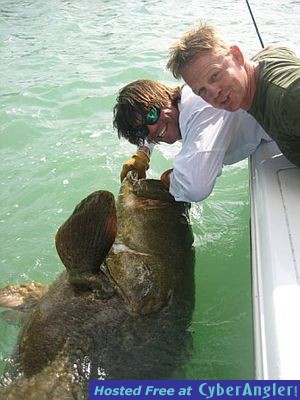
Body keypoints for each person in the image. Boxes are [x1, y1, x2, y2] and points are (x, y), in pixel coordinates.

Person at [166, 22, 300, 167]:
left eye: (215, 75)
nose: (214, 92)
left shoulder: (287, 100)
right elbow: (279, 46)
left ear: (237, 56)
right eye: (201, 90)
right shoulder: (268, 61)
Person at [113, 79, 270, 202]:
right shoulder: (183, 101)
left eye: (152, 115)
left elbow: (195, 187)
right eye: (142, 130)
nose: (152, 129)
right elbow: (152, 128)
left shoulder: (198, 110)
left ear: (164, 97)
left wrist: (166, 181)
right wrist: (142, 153)